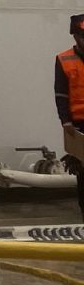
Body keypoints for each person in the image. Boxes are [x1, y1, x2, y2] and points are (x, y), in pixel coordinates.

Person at [55, 13, 84, 220]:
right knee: (83, 173)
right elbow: (61, 93)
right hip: (79, 126)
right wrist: (65, 121)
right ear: (75, 36)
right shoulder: (64, 60)